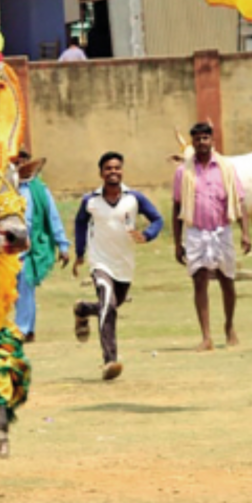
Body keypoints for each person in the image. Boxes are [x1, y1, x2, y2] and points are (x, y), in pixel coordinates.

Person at [73, 152, 164, 381]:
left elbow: (158, 219)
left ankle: (83, 309)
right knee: (109, 304)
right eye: (108, 169)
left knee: (113, 305)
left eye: (117, 168)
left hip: (124, 264)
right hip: (100, 262)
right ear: (101, 173)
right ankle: (109, 361)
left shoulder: (134, 198)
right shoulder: (90, 201)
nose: (113, 172)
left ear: (121, 171)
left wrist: (147, 234)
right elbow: (80, 223)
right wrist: (79, 254)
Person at [172, 123, 252, 352]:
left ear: (212, 140)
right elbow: (177, 207)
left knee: (227, 280)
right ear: (192, 142)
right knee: (199, 281)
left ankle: (229, 326)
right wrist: (177, 243)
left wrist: (245, 233)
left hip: (222, 231)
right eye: (197, 139)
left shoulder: (226, 168)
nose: (201, 142)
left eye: (205, 138)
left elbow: (239, 201)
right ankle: (206, 336)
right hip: (195, 232)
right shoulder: (183, 172)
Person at [14, 150, 71, 344]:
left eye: (24, 160)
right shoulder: (0, 187)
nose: (20, 164)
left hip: (30, 247)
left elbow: (52, 216)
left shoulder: (39, 190)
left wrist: (63, 245)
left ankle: (23, 329)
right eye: (15, 160)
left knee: (25, 286)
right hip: (4, 248)